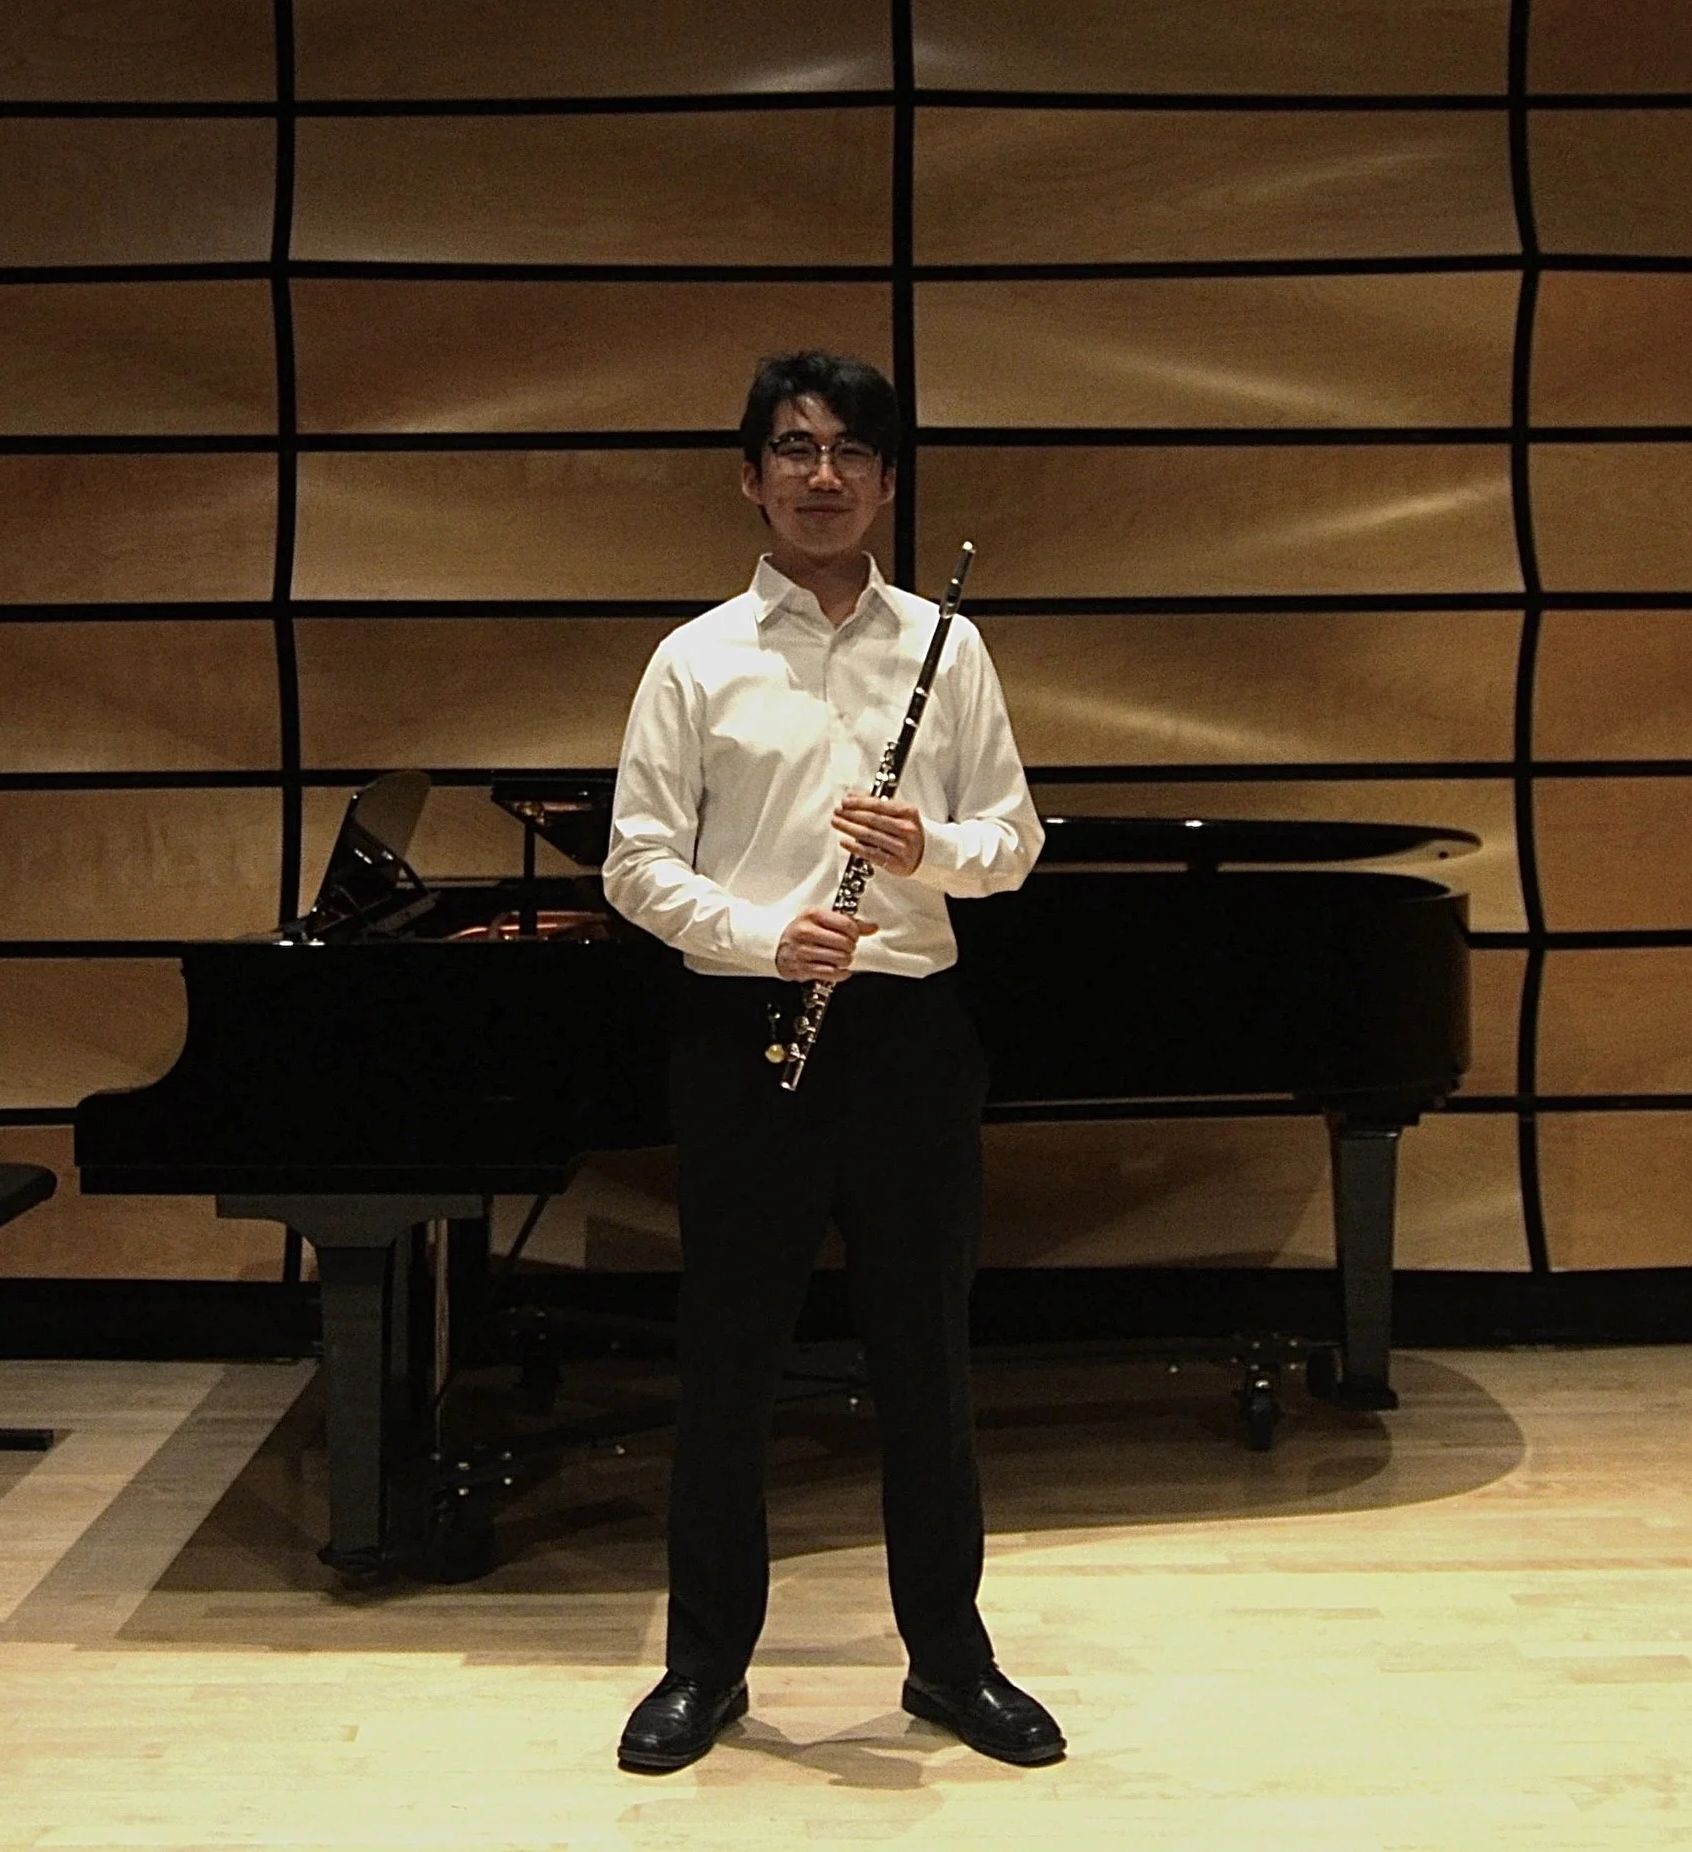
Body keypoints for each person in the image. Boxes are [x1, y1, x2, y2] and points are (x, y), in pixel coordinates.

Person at [600, 351, 1061, 1773]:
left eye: (851, 453)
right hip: (746, 1033)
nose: (821, 476)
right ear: (752, 477)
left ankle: (949, 1662)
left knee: (926, 1355)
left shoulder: (947, 648)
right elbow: (634, 866)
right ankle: (703, 1668)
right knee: (728, 1359)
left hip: (911, 1035)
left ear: (886, 481)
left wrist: (938, 849)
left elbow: (1019, 841)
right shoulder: (695, 659)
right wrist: (755, 934)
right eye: (794, 450)